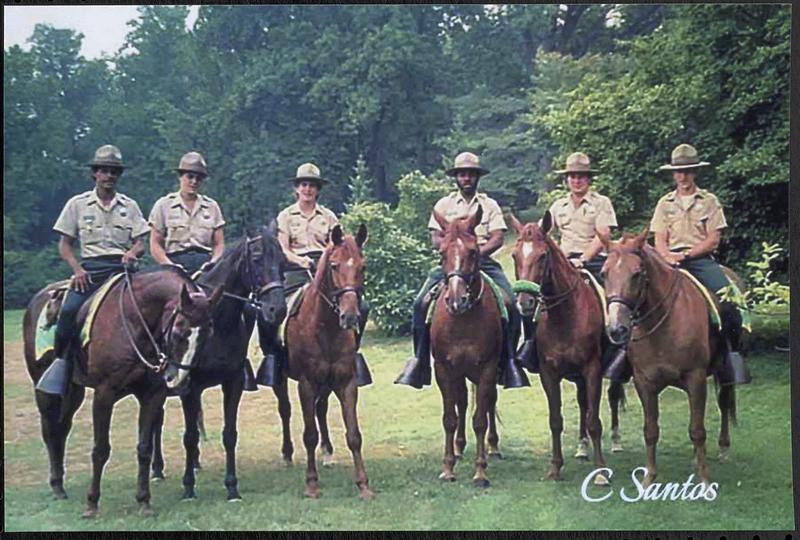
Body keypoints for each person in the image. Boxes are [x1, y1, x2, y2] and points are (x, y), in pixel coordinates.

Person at [394, 151, 530, 390]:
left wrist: (476, 253)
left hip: (483, 261)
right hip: (450, 264)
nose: (466, 178)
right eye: (462, 174)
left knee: (511, 304)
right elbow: (436, 238)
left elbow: (498, 237)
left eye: (471, 174)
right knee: (420, 304)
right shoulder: (443, 205)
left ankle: (509, 362)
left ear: (478, 177)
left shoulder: (489, 205)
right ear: (456, 177)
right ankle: (420, 361)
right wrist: (453, 252)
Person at [37, 145, 149, 396]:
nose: (109, 176)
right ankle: (63, 364)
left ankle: (152, 367)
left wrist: (133, 252)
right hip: (90, 271)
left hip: (121, 272)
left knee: (150, 312)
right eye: (104, 171)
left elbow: (141, 241)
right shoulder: (77, 204)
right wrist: (76, 269)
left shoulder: (129, 206)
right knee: (68, 312)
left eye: (114, 172)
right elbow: (65, 244)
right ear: (95, 173)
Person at [257, 162, 371, 386]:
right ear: (296, 189)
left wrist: (325, 263)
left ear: (318, 190)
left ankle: (352, 354)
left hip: (327, 269)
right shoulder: (286, 216)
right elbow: (284, 248)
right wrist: (302, 261)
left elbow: (337, 246)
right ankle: (274, 358)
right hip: (296, 270)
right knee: (274, 310)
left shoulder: (328, 216)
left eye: (312, 186)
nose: (307, 189)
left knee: (362, 306)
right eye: (303, 185)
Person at [648, 143, 751, 385]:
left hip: (700, 260)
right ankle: (628, 356)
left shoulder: (710, 201)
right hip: (668, 261)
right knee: (637, 298)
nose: (683, 176)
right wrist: (666, 257)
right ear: (673, 174)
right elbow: (659, 239)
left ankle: (730, 355)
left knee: (730, 303)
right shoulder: (665, 203)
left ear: (696, 173)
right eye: (679, 171)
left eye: (688, 171)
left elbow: (713, 239)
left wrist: (686, 256)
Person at [517, 152, 619, 373]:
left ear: (589, 179)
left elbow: (602, 236)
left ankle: (617, 349)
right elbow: (542, 232)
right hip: (563, 262)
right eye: (572, 176)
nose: (576, 180)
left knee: (613, 298)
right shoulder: (558, 206)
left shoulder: (601, 203)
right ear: (567, 179)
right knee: (532, 296)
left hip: (592, 261)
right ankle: (531, 344)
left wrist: (584, 259)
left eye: (581, 176)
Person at [149, 152, 225, 275]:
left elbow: (219, 243)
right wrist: (169, 265)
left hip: (205, 265)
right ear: (180, 177)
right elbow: (155, 244)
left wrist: (214, 262)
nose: (194, 182)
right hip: (173, 264)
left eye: (199, 178)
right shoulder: (164, 205)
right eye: (190, 176)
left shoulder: (212, 207)